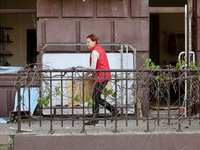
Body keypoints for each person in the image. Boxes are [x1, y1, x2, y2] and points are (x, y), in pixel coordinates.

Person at [84, 34, 118, 125]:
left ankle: (95, 119)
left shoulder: (95, 51)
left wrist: (87, 73)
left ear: (94, 42)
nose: (87, 44)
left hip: (101, 77)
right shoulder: (99, 49)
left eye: (88, 42)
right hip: (104, 76)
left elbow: (93, 67)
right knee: (96, 98)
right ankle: (113, 110)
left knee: (95, 98)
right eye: (86, 42)